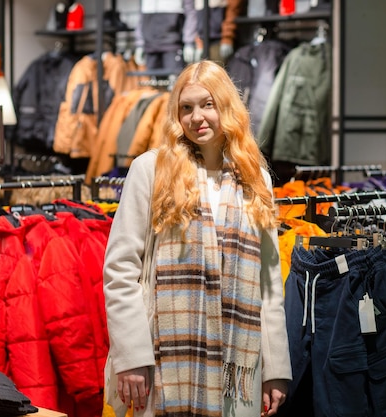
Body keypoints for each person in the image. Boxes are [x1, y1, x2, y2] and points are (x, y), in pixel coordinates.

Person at [103, 60, 292, 417]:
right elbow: (121, 269)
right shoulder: (152, 170)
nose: (196, 117)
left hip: (237, 366)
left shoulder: (255, 181)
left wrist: (276, 369)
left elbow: (269, 285)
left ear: (227, 108)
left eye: (207, 104)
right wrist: (132, 354)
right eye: (186, 108)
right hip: (163, 360)